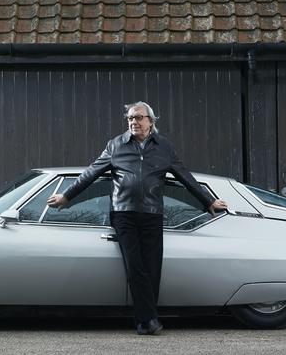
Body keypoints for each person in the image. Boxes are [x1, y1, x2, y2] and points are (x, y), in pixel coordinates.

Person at [47, 101, 228, 335]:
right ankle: (150, 319)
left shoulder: (163, 147)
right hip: (124, 214)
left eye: (139, 117)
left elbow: (184, 176)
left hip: (153, 214)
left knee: (153, 268)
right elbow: (91, 173)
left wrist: (208, 201)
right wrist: (67, 196)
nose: (134, 122)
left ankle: (145, 322)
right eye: (131, 118)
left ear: (151, 121)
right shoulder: (116, 146)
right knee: (134, 266)